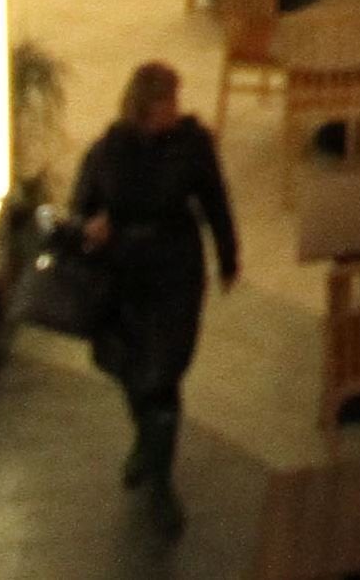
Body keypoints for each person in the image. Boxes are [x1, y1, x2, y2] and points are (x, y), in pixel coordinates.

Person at [70, 57, 239, 509]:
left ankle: (160, 477)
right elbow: (82, 206)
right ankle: (147, 442)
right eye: (168, 101)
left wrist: (228, 256)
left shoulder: (191, 146)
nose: (176, 108)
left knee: (163, 370)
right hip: (125, 275)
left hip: (174, 272)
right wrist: (93, 227)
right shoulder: (109, 151)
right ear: (146, 107)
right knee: (132, 367)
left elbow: (214, 198)